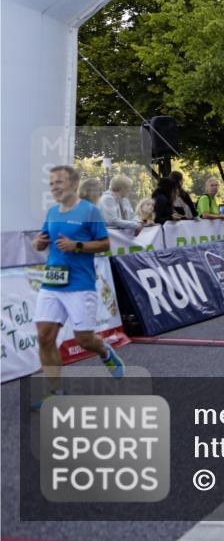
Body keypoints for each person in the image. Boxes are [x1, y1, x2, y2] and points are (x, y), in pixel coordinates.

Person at [30, 165, 123, 406]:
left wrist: (77, 246)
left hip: (80, 284)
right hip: (52, 283)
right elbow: (42, 241)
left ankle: (104, 352)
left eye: (58, 182)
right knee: (44, 336)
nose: (54, 187)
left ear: (72, 184)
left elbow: (104, 244)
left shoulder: (89, 211)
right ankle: (55, 392)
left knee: (84, 339)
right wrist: (38, 242)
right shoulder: (51, 212)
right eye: (51, 183)